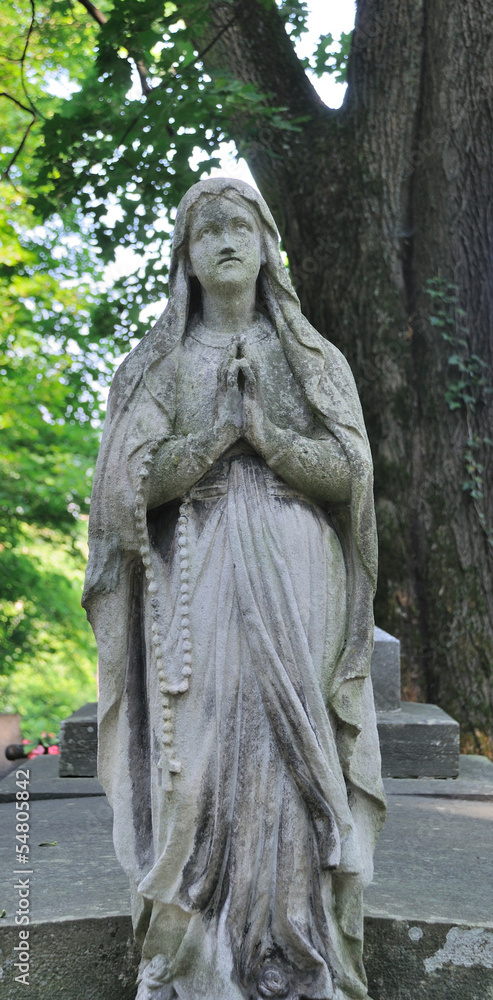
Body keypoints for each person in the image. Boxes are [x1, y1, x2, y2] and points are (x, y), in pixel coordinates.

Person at [83, 177, 386, 1000]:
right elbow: (124, 490)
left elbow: (350, 477)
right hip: (199, 567)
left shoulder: (311, 360)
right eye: (206, 229)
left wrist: (270, 438)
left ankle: (298, 948)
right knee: (198, 758)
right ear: (184, 257)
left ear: (266, 246)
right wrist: (219, 435)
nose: (224, 240)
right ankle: (193, 956)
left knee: (294, 758)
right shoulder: (159, 365)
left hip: (298, 566)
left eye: (239, 226)